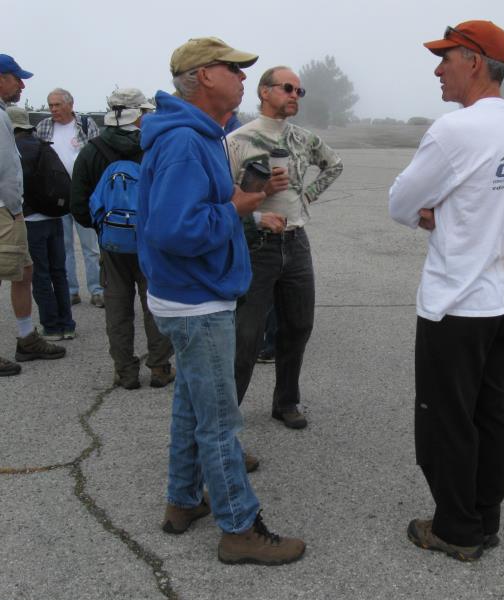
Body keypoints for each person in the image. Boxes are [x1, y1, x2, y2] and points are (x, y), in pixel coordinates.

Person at [138, 36, 304, 565]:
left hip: (187, 295)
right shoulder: (187, 141)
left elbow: (195, 213)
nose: (242, 78)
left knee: (192, 405)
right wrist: (236, 206)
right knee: (219, 421)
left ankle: (183, 500)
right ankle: (239, 526)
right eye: (234, 69)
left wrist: (245, 211)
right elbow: (175, 229)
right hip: (197, 299)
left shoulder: (199, 134)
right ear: (204, 76)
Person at [389, 20, 504, 561]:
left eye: (445, 56)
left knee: (445, 419)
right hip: (503, 296)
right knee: (488, 411)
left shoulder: (458, 130)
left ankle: (456, 529)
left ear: (475, 61)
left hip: (456, 301)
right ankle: (484, 515)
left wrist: (433, 211)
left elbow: (401, 202)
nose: (437, 68)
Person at [227, 65, 343, 429]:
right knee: (245, 339)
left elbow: (334, 165)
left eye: (299, 91)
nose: (295, 95)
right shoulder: (237, 141)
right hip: (256, 247)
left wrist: (305, 196)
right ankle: (227, 420)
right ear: (264, 92)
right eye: (287, 88)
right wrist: (261, 197)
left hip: (295, 244)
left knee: (298, 326)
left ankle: (286, 401)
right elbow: (224, 195)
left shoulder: (303, 139)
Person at [70, 88, 174, 389]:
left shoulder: (92, 150)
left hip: (112, 245)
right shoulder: (153, 148)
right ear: (138, 114)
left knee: (117, 306)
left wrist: (103, 229)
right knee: (155, 303)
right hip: (151, 243)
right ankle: (159, 367)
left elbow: (78, 203)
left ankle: (126, 372)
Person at [0, 54, 66, 376]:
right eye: (16, 77)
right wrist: (14, 210)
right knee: (13, 271)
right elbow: (4, 169)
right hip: (5, 210)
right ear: (1, 78)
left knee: (24, 271)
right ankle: (26, 338)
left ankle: (27, 337)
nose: (22, 84)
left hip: (9, 210)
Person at [9, 106, 75, 341]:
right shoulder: (43, 146)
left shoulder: (12, 148)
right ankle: (67, 324)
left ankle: (51, 326)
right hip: (55, 216)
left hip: (30, 219)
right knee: (60, 272)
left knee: (40, 275)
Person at [34, 88, 104, 308]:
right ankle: (71, 291)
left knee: (90, 246)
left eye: (57, 105)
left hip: (83, 193)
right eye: (50, 105)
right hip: (56, 197)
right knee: (63, 248)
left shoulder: (86, 124)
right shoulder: (43, 127)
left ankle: (97, 289)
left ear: (70, 105)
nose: (53, 109)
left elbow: (98, 155)